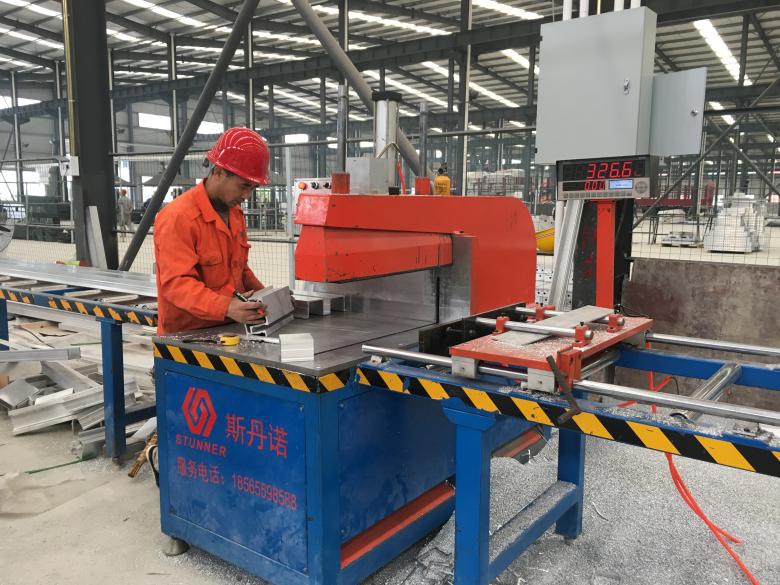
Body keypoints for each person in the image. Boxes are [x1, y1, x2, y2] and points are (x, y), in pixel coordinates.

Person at [153, 127, 270, 334]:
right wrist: (227, 307)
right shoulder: (178, 217)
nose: (247, 196)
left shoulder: (234, 213)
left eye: (253, 188)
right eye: (243, 186)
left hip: (229, 328)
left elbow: (240, 269)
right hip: (186, 335)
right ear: (218, 173)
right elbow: (177, 284)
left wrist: (268, 298)